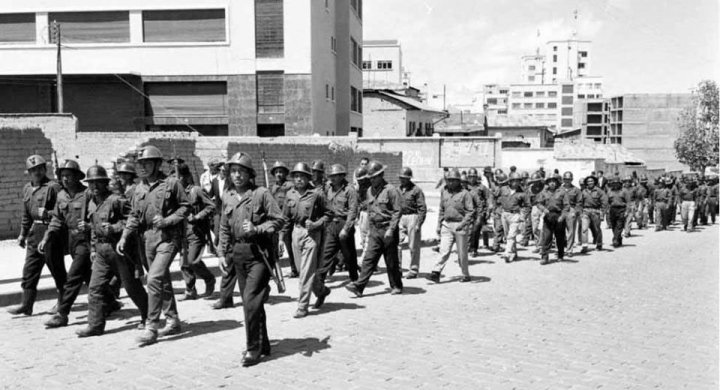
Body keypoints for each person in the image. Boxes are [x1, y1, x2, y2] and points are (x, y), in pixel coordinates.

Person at [117, 145, 190, 345]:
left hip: (169, 237)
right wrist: (124, 236)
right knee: (162, 279)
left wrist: (168, 220)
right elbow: (133, 215)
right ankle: (173, 319)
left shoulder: (172, 183)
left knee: (154, 277)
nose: (144, 167)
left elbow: (186, 207)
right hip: (147, 238)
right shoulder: (137, 189)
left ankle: (152, 325)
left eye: (148, 163)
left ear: (157, 164)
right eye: (141, 164)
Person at [218, 152, 283, 367]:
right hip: (238, 254)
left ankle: (252, 348)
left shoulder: (261, 194)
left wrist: (258, 228)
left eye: (241, 172)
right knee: (253, 302)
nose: (237, 176)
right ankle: (263, 343)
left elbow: (278, 220)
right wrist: (221, 252)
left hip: (259, 254)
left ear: (249, 174)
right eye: (233, 171)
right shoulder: (227, 195)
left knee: (250, 300)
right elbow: (224, 227)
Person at [74, 165, 149, 337]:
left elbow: (133, 219)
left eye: (98, 183)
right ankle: (95, 325)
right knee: (95, 288)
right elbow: (93, 227)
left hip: (118, 250)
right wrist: (93, 248)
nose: (94, 187)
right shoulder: (92, 202)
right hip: (101, 251)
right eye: (91, 183)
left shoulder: (116, 200)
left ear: (105, 183)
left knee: (131, 287)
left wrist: (115, 228)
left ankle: (148, 315)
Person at [40, 160, 100, 328]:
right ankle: (110, 301)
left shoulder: (87, 193)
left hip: (86, 240)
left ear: (76, 177)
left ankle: (62, 313)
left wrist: (90, 225)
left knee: (73, 276)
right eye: (62, 176)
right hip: (71, 239)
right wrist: (46, 237)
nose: (65, 179)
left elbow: (97, 213)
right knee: (87, 275)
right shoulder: (61, 196)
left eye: (68, 175)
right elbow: (57, 219)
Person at [8, 155, 66, 316]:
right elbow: (26, 214)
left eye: (40, 169)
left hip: (51, 232)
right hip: (35, 233)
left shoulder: (53, 187)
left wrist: (48, 213)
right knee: (29, 270)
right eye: (33, 170)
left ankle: (62, 303)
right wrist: (22, 234)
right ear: (28, 172)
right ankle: (26, 304)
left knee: (56, 269)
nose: (37, 172)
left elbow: (62, 210)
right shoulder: (27, 189)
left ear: (45, 169)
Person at [345, 161, 403, 297]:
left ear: (381, 175)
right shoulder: (370, 191)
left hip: (388, 229)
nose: (372, 180)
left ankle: (396, 286)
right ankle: (359, 287)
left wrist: (391, 229)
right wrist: (370, 229)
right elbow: (371, 211)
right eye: (370, 177)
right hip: (375, 230)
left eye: (375, 177)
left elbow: (397, 211)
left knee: (391, 260)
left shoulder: (391, 190)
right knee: (369, 259)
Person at [282, 162, 328, 318]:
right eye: (296, 176)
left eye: (302, 176)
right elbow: (286, 218)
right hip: (296, 232)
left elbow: (329, 214)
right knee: (302, 270)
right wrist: (282, 238)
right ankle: (321, 290)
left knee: (306, 272)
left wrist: (316, 224)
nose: (299, 179)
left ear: (308, 178)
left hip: (311, 234)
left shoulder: (316, 194)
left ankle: (302, 306)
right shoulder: (290, 194)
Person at [427, 168, 475, 282]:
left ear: (459, 181)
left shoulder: (465, 194)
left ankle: (465, 274)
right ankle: (436, 272)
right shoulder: (444, 192)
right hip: (447, 224)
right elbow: (441, 209)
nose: (451, 182)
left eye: (454, 180)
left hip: (460, 225)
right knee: (444, 250)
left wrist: (463, 224)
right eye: (449, 180)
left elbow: (470, 211)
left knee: (461, 253)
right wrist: (439, 225)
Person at [177, 164, 216, 301]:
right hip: (182, 233)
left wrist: (198, 216)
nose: (177, 180)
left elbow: (211, 206)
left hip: (196, 232)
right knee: (183, 264)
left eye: (180, 177)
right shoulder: (177, 194)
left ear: (186, 177)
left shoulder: (196, 190)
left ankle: (209, 279)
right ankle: (190, 290)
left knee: (193, 261)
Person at [318, 164, 359, 284]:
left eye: (335, 176)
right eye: (331, 176)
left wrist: (346, 229)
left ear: (342, 176)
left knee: (349, 254)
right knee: (326, 252)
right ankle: (319, 280)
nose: (332, 178)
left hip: (344, 223)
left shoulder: (349, 190)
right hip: (332, 224)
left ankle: (354, 280)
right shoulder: (328, 188)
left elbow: (353, 210)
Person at [269, 161, 298, 278]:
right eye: (276, 172)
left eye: (281, 172)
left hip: (287, 220)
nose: (279, 174)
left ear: (285, 173)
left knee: (289, 245)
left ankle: (294, 268)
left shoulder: (290, 186)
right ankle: (273, 269)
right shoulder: (274, 187)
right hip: (276, 220)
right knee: (273, 246)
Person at [397, 167, 426, 278]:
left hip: (413, 216)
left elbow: (422, 208)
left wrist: (419, 223)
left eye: (405, 178)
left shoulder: (416, 190)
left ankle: (413, 270)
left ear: (409, 178)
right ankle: (397, 268)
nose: (402, 180)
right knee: (396, 244)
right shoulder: (398, 189)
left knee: (413, 245)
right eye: (401, 178)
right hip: (401, 217)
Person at [536, 173, 570, 264]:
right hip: (548, 216)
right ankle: (544, 257)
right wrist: (544, 209)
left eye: (554, 181)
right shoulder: (543, 192)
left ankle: (560, 255)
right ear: (547, 183)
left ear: (557, 182)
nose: (552, 183)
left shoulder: (562, 192)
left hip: (558, 216)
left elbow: (566, 206)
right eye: (550, 182)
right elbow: (539, 203)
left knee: (560, 237)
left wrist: (562, 216)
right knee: (546, 237)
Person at [498, 172, 528, 263]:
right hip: (505, 214)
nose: (516, 183)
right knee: (509, 235)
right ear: (510, 181)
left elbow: (527, 205)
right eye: (514, 181)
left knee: (511, 235)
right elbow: (495, 197)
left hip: (515, 215)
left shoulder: (522, 192)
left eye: (518, 181)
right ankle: (514, 253)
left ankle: (507, 252)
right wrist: (496, 208)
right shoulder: (503, 189)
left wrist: (523, 215)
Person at [579, 175, 608, 253]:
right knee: (584, 229)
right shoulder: (583, 191)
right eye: (588, 181)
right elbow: (580, 202)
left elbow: (604, 203)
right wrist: (580, 212)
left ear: (594, 182)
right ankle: (584, 245)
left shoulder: (599, 191)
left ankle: (599, 244)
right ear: (586, 183)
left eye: (591, 181)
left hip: (596, 212)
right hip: (585, 211)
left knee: (597, 229)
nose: (590, 182)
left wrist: (603, 213)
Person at [467, 168, 490, 257]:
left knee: (476, 231)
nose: (472, 179)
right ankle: (466, 247)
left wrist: (488, 209)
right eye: (470, 177)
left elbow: (488, 197)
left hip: (479, 212)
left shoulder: (481, 187)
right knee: (467, 231)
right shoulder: (464, 186)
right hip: (467, 212)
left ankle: (473, 249)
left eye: (474, 177)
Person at [560, 171, 582, 256]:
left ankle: (569, 250)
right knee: (560, 231)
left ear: (572, 179)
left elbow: (579, 203)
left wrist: (575, 212)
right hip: (561, 210)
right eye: (565, 179)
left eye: (569, 179)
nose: (567, 181)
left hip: (571, 210)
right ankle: (561, 250)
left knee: (571, 231)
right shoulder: (559, 189)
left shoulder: (576, 190)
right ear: (563, 179)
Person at [606, 176, 631, 247]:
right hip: (612, 210)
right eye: (614, 183)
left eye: (617, 183)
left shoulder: (624, 191)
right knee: (613, 226)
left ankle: (615, 239)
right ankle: (619, 238)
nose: (615, 185)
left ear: (620, 183)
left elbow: (628, 202)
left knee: (619, 225)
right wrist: (607, 210)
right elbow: (607, 202)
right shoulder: (609, 191)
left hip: (621, 209)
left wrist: (627, 211)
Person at [490, 172, 510, 252]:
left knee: (499, 229)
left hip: (499, 210)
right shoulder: (504, 188)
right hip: (501, 210)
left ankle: (496, 245)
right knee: (502, 229)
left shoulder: (499, 188)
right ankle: (497, 246)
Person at [526, 173, 545, 253]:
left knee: (543, 228)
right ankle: (537, 245)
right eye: (534, 181)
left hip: (544, 207)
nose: (535, 182)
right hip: (534, 208)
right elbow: (527, 200)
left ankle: (543, 246)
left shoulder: (545, 187)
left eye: (537, 181)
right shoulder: (530, 189)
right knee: (535, 228)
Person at [355, 166, 372, 254]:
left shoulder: (371, 187)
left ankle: (366, 259)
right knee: (363, 237)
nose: (359, 181)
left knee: (368, 238)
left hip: (369, 213)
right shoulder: (359, 187)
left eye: (361, 179)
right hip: (362, 213)